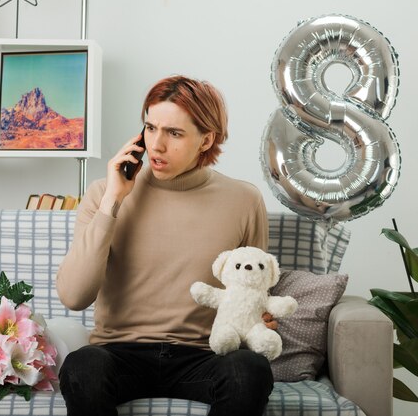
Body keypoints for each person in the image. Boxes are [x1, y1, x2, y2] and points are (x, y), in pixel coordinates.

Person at [55, 75, 274, 416]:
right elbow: (74, 296)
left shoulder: (244, 200)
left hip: (204, 355)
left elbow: (252, 288)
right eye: (150, 127)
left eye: (174, 133)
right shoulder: (103, 192)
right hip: (119, 353)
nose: (156, 145)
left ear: (206, 140)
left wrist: (260, 318)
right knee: (81, 366)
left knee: (249, 370)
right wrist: (114, 201)